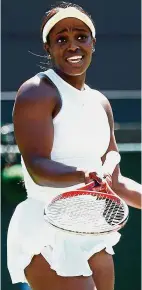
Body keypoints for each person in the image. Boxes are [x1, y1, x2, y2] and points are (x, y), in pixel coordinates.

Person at [7, 2, 142, 290]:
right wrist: (84, 174)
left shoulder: (100, 103)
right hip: (46, 227)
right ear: (48, 47)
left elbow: (115, 182)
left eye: (81, 37)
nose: (72, 46)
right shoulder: (37, 92)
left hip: (90, 227)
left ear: (93, 43)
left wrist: (95, 177)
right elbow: (37, 167)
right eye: (61, 39)